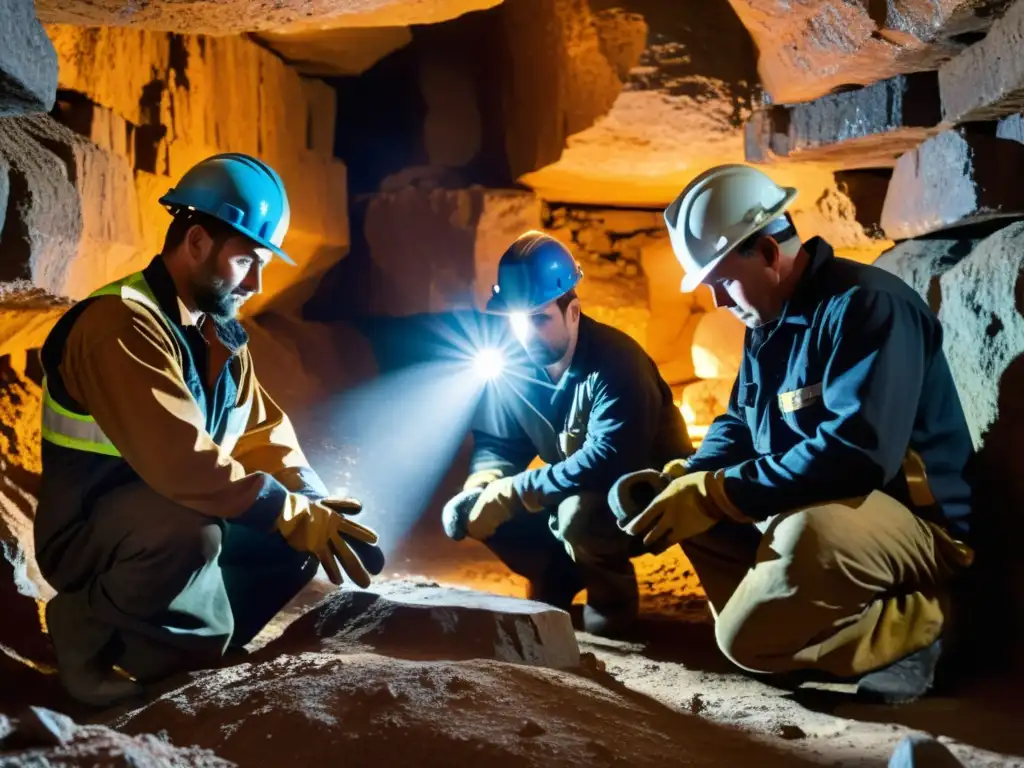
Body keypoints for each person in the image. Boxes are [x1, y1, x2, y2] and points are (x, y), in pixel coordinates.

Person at [611, 163, 977, 704]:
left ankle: (929, 618)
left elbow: (857, 454)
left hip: (916, 525)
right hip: (819, 509)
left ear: (767, 252)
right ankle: (795, 634)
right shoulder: (767, 320)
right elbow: (739, 421)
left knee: (753, 624)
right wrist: (688, 478)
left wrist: (719, 491)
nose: (717, 302)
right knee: (701, 521)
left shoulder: (866, 306)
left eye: (722, 282)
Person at [35, 153, 384, 708]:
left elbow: (263, 433)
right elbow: (182, 462)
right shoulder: (120, 324)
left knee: (291, 533)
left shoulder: (217, 333)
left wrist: (313, 503)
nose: (259, 281)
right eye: (248, 261)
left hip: (165, 512)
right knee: (196, 529)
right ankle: (85, 628)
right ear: (196, 243)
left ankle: (186, 655)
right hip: (94, 531)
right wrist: (288, 512)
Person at [442, 230, 693, 636]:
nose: (526, 336)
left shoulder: (617, 363)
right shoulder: (512, 365)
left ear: (572, 312)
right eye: (517, 322)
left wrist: (513, 492)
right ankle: (555, 575)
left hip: (641, 497)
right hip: (578, 488)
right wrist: (483, 483)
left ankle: (611, 597)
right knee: (481, 508)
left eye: (539, 319)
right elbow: (499, 442)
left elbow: (608, 462)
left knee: (577, 513)